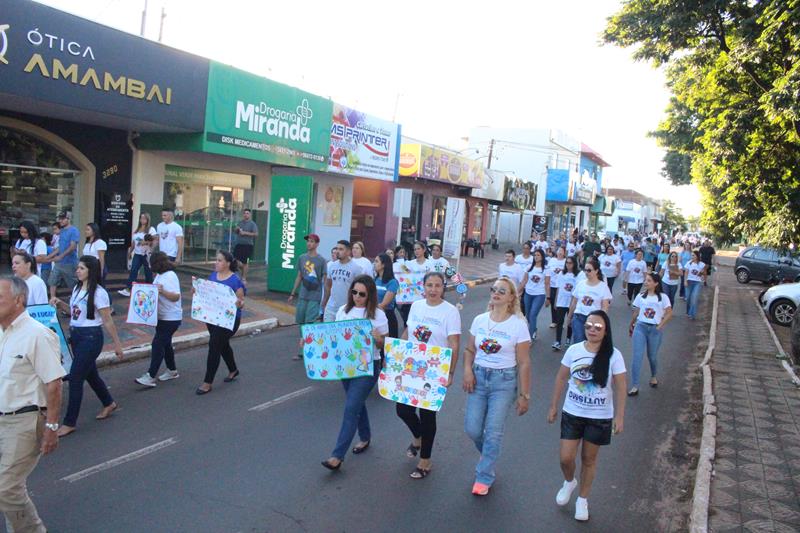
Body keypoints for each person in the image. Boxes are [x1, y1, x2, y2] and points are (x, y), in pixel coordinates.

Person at [547, 309, 626, 522]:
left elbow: (620, 386)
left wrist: (619, 417)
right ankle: (569, 481)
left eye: (598, 327)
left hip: (599, 417)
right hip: (572, 413)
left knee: (589, 459)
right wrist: (553, 405)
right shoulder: (573, 350)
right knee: (566, 458)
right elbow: (562, 378)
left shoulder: (614, 355)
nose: (592, 329)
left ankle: (582, 499)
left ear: (606, 330)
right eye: (589, 326)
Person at [0, 276, 65, 533]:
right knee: (10, 486)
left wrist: (51, 427)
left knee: (6, 487)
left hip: (24, 421)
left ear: (19, 301)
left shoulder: (38, 334)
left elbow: (54, 383)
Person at [462, 277, 531, 495]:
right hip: (479, 378)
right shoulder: (480, 320)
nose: (496, 293)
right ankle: (488, 456)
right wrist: (467, 370)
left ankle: (484, 475)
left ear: (511, 298)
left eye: (502, 291)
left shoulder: (519, 324)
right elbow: (470, 350)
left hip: (504, 382)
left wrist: (524, 395)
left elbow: (524, 362)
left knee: (493, 432)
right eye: (494, 289)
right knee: (473, 429)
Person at [49, 256, 123, 437]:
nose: (78, 271)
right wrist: (60, 303)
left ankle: (69, 422)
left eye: (82, 268)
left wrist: (117, 344)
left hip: (91, 338)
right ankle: (109, 403)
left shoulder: (99, 293)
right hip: (77, 336)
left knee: (75, 378)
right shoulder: (76, 288)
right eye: (78, 268)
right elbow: (74, 313)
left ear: (91, 270)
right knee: (91, 374)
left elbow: (107, 320)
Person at [321, 276, 388, 470]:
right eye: (354, 292)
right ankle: (365, 436)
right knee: (356, 402)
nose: (357, 297)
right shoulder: (343, 310)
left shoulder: (377, 315)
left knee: (351, 407)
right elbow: (333, 335)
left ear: (370, 295)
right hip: (346, 365)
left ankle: (337, 455)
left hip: (368, 367)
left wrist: (378, 339)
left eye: (362, 294)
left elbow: (385, 344)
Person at [397, 272, 460, 479]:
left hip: (434, 369)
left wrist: (450, 372)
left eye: (438, 286)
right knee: (403, 410)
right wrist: (397, 355)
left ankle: (425, 460)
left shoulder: (450, 312)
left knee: (427, 414)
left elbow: (454, 343)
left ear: (444, 288)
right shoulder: (416, 306)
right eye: (429, 285)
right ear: (423, 287)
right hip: (410, 366)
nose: (433, 289)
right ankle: (417, 437)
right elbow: (408, 332)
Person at [195, 251, 246, 395]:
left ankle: (207, 382)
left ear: (228, 263)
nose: (215, 263)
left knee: (214, 345)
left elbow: (241, 303)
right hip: (212, 318)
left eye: (219, 260)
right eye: (216, 260)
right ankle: (233, 369)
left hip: (229, 320)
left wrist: (238, 303)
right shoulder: (212, 276)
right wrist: (196, 290)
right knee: (222, 345)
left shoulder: (235, 280)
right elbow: (207, 295)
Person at [135, 252, 182, 387]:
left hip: (171, 317)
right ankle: (172, 370)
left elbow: (176, 297)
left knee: (158, 343)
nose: (149, 266)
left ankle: (150, 375)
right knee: (165, 343)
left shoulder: (170, 276)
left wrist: (162, 292)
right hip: (161, 316)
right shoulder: (160, 275)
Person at [628, 273, 672, 395]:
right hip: (640, 327)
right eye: (646, 280)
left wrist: (660, 326)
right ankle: (635, 385)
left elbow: (669, 313)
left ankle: (653, 376)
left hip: (654, 330)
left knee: (652, 356)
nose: (646, 282)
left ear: (656, 283)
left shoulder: (663, 297)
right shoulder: (641, 296)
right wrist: (631, 324)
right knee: (637, 356)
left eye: (649, 281)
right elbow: (636, 312)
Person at [289, 234, 327, 359]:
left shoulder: (321, 260)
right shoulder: (302, 258)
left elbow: (325, 281)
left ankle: (305, 350)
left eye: (312, 241)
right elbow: (299, 276)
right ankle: (309, 345)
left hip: (315, 296)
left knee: (309, 322)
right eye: (308, 241)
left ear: (317, 244)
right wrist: (292, 293)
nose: (309, 243)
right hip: (303, 295)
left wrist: (325, 299)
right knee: (301, 322)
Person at [566, 257, 612, 344]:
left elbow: (605, 307)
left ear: (596, 271)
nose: (586, 272)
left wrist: (602, 321)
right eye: (585, 270)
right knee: (579, 342)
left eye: (589, 270)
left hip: (594, 320)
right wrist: (569, 317)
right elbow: (574, 302)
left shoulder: (603, 287)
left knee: (591, 343)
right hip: (579, 317)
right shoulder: (581, 284)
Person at [321, 240, 363, 323]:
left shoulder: (356, 268)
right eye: (337, 249)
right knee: (328, 332)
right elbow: (328, 285)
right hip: (331, 307)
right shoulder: (332, 265)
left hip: (347, 308)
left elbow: (359, 289)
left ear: (348, 252)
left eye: (341, 249)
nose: (337, 251)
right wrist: (325, 301)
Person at [395, 241, 431, 328]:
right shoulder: (409, 263)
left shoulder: (430, 264)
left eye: (418, 249)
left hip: (424, 298)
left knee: (423, 323)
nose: (416, 251)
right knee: (408, 322)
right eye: (415, 249)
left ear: (424, 250)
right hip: (410, 299)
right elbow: (402, 275)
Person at [120, 212, 156, 296]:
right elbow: (133, 243)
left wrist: (146, 242)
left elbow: (154, 240)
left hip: (146, 254)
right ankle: (129, 288)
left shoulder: (151, 229)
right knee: (133, 270)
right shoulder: (136, 231)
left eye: (144, 218)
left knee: (148, 272)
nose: (142, 220)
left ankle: (150, 289)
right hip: (137, 254)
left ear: (147, 220)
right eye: (141, 218)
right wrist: (130, 252)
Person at [48, 212, 81, 299]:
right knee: (53, 280)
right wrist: (50, 256)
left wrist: (60, 256)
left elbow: (73, 246)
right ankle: (52, 299)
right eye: (59, 218)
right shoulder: (62, 231)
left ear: (68, 218)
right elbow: (60, 246)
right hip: (59, 262)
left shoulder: (74, 230)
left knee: (73, 283)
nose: (60, 220)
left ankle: (77, 299)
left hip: (69, 262)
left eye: (63, 218)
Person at [520, 249, 550, 341]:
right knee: (528, 315)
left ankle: (530, 337)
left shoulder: (546, 269)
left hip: (539, 295)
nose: (536, 257)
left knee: (533, 314)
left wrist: (548, 298)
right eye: (535, 255)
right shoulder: (529, 267)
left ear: (542, 257)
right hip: (528, 294)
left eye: (538, 255)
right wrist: (516, 292)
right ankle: (534, 329)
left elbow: (547, 284)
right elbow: (524, 280)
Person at [553, 256, 579, 350]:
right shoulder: (561, 273)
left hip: (571, 302)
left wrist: (574, 303)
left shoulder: (577, 275)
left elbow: (577, 290)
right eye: (567, 263)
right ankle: (558, 341)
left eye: (570, 263)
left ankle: (568, 338)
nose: (568, 265)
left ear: (574, 264)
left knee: (570, 321)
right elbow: (558, 288)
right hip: (561, 301)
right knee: (559, 321)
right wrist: (556, 301)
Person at [373, 253, 400, 338]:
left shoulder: (392, 282)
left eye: (377, 261)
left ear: (383, 265)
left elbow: (384, 304)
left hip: (387, 316)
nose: (374, 264)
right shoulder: (375, 280)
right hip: (374, 313)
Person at [233, 209, 258, 284]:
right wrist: (236, 230)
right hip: (239, 244)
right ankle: (242, 270)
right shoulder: (240, 223)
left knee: (246, 262)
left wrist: (245, 233)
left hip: (248, 245)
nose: (245, 215)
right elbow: (236, 231)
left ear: (250, 215)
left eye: (247, 213)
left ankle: (244, 278)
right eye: (244, 213)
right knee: (236, 261)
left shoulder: (252, 224)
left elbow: (256, 234)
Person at [83, 223, 109, 287]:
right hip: (88, 267)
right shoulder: (87, 243)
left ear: (94, 231)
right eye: (86, 229)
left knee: (99, 287)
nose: (85, 231)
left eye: (88, 230)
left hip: (97, 266)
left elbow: (101, 258)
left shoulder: (100, 242)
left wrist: (101, 271)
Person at [683, 250, 706, 320]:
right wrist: (685, 281)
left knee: (695, 298)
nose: (692, 257)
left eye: (693, 255)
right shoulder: (688, 263)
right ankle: (688, 311)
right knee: (688, 298)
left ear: (697, 256)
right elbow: (686, 273)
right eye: (691, 255)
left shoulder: (701, 264)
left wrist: (702, 273)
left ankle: (692, 314)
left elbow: (704, 273)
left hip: (697, 282)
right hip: (689, 281)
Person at [547, 247, 566, 329]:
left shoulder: (565, 261)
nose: (560, 252)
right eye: (559, 250)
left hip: (562, 286)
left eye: (562, 251)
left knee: (560, 304)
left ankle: (560, 321)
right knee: (553, 302)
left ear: (564, 253)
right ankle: (554, 321)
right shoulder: (552, 260)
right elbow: (548, 271)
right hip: (552, 285)